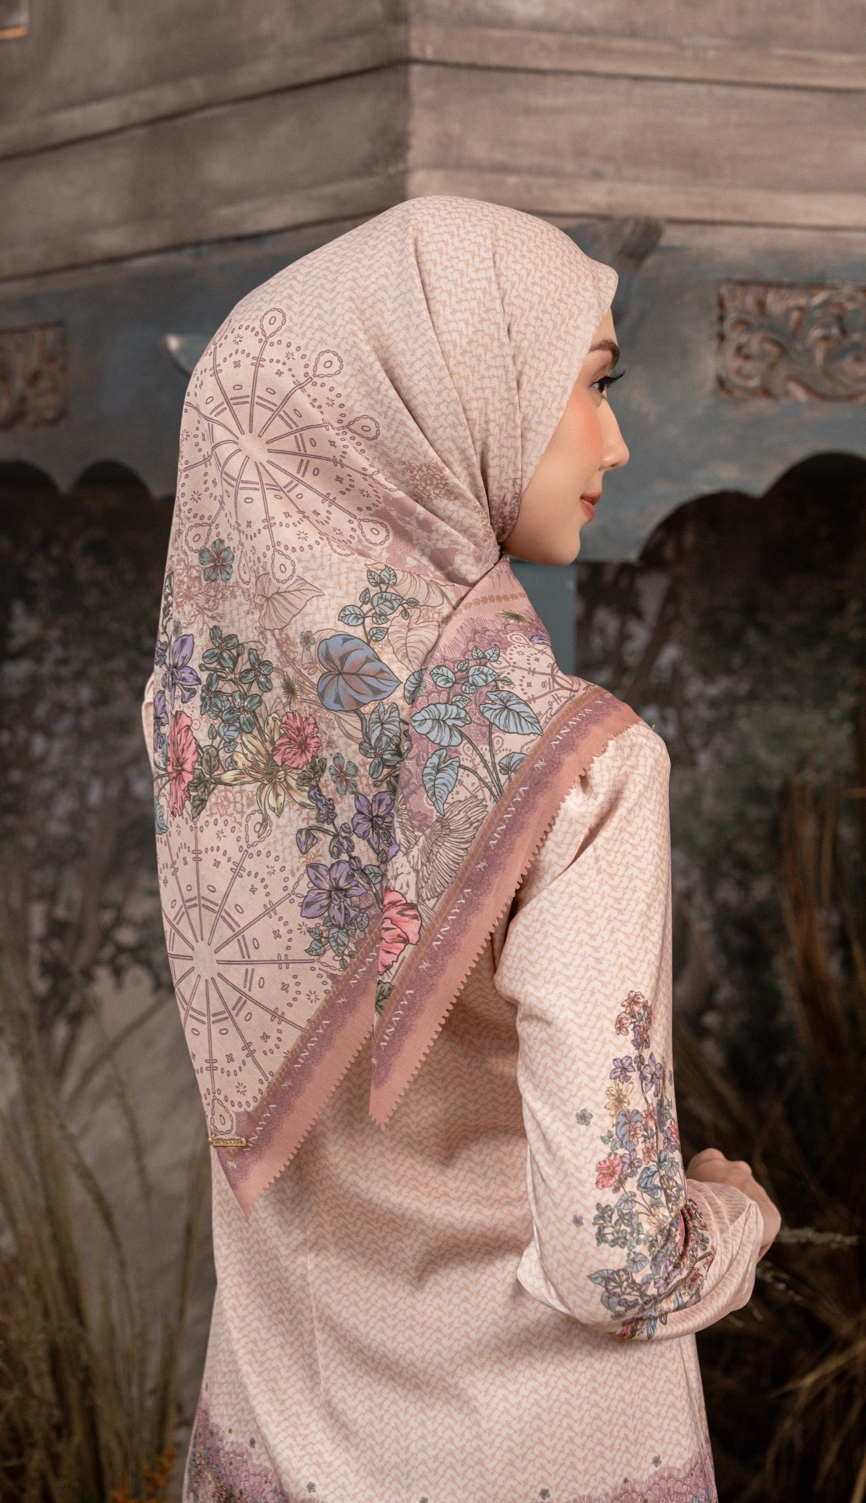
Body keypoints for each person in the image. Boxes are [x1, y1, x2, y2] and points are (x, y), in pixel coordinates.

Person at [145, 196, 780, 1503]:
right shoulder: (580, 769)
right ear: (437, 405)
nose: (613, 438)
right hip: (536, 1459)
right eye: (589, 383)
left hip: (280, 1440)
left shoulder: (200, 727)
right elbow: (621, 1267)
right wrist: (735, 1217)